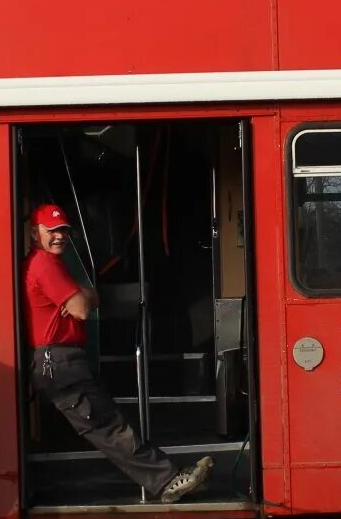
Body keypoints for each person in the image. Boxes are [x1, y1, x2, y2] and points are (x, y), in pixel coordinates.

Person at [24, 203, 213, 503]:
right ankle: (167, 482)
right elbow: (83, 308)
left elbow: (82, 302)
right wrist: (84, 296)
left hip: (61, 361)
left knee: (106, 423)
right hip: (59, 362)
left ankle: (166, 476)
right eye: (52, 231)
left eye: (63, 231)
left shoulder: (46, 263)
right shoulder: (45, 265)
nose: (59, 237)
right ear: (35, 233)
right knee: (108, 427)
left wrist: (81, 296)